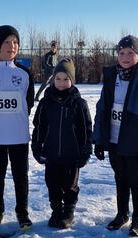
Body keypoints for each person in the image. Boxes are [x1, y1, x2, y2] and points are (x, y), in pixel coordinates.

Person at [93, 35, 138, 237]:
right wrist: (99, 138)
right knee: (120, 178)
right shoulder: (112, 77)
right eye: (121, 53)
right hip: (114, 138)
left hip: (135, 139)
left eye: (130, 53)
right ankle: (122, 214)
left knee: (136, 179)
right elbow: (102, 109)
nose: (125, 56)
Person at [0, 25, 35, 231]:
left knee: (21, 176)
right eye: (6, 42)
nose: (11, 46)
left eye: (15, 42)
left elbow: (28, 104)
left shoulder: (24, 73)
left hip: (19, 136)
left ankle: (22, 212)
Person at [32, 58, 92, 229]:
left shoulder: (79, 103)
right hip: (51, 153)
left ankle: (68, 212)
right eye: (57, 78)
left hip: (72, 154)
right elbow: (39, 126)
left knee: (70, 186)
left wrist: (86, 150)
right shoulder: (45, 102)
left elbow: (87, 129)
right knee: (52, 184)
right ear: (52, 79)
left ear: (71, 80)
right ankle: (56, 210)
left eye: (66, 79)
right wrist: (36, 146)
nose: (61, 82)